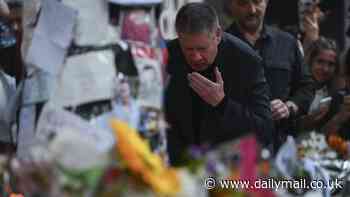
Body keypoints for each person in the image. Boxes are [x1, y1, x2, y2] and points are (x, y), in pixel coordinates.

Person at [165, 2, 273, 166]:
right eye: (188, 49)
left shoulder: (247, 61)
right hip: (178, 165)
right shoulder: (167, 55)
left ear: (217, 35)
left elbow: (264, 130)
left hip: (229, 168)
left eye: (202, 48)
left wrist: (222, 103)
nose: (195, 57)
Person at [225, 0, 314, 151]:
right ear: (231, 5)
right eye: (243, 3)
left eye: (257, 1)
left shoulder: (287, 42)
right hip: (235, 147)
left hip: (281, 146)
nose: (252, 9)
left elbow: (306, 86)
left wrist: (289, 106)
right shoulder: (220, 45)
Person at [298, 38, 339, 133]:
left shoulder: (335, 95)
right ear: (310, 61)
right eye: (320, 62)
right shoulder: (294, 88)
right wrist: (310, 119)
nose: (325, 69)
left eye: (331, 64)